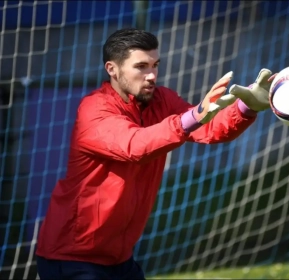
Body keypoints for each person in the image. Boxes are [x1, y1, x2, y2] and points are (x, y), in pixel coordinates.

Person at [35, 28, 276, 280]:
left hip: (120, 259)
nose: (151, 75)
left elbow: (207, 128)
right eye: (141, 66)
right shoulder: (93, 109)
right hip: (71, 258)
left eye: (155, 65)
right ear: (112, 69)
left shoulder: (162, 100)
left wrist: (246, 107)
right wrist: (192, 117)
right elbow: (135, 145)